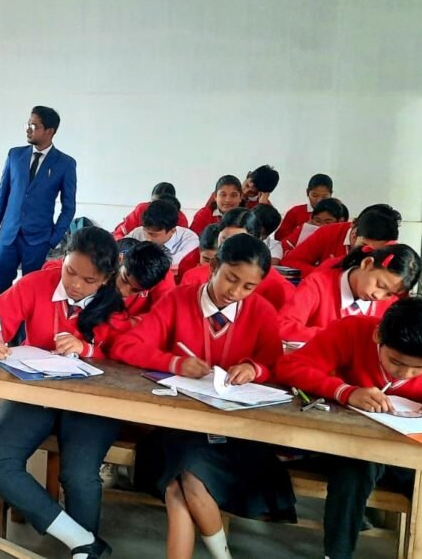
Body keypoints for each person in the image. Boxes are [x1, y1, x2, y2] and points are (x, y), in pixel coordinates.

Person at [109, 234, 293, 559]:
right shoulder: (178, 300)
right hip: (179, 423)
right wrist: (174, 362)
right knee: (185, 477)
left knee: (179, 484)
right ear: (213, 266)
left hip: (235, 429)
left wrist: (254, 369)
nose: (235, 292)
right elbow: (126, 346)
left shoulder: (260, 312)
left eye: (248, 287)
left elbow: (277, 365)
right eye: (231, 279)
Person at [275, 298, 422, 559]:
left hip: (419, 458)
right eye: (396, 362)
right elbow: (290, 367)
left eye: (419, 368)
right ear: (378, 336)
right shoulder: (353, 330)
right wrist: (345, 392)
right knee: (355, 471)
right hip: (354, 448)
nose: (406, 374)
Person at [0, 228, 129, 559]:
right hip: (37, 390)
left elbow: (126, 353)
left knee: (79, 474)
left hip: (91, 402)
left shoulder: (114, 305)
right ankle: (83, 542)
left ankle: (83, 549)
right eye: (70, 270)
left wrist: (87, 348)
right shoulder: (36, 284)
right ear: (63, 258)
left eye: (88, 280)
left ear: (104, 279)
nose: (75, 283)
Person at [0, 106, 77, 295]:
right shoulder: (15, 155)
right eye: (28, 124)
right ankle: (3, 323)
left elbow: (69, 207)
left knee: (31, 290)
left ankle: (25, 326)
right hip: (8, 236)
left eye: (34, 126)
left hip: (38, 239)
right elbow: (1, 198)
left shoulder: (65, 163)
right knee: (1, 287)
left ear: (49, 131)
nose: (28, 129)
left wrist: (52, 239)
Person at [278, 244, 421, 344]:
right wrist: (335, 337)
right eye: (380, 285)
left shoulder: (389, 305)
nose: (379, 296)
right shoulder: (318, 284)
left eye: (389, 293)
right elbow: (282, 326)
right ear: (367, 264)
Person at [180, 208, 294, 312]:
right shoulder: (193, 277)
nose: (230, 246)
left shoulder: (275, 283)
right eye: (224, 239)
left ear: (256, 241)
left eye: (248, 286)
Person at [282, 203, 400, 276]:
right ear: (353, 225)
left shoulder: (390, 249)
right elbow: (290, 262)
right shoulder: (328, 232)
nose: (366, 254)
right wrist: (325, 275)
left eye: (374, 251)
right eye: (364, 246)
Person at [126, 198, 198, 273]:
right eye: (146, 232)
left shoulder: (189, 240)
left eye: (153, 235)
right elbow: (121, 251)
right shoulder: (138, 232)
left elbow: (165, 266)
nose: (148, 239)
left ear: (172, 230)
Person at [115, 238, 174, 322]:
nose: (124, 292)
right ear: (120, 260)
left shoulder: (159, 276)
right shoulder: (100, 266)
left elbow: (165, 314)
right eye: (124, 280)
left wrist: (131, 323)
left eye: (135, 290)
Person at [112, 182, 188, 239]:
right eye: (153, 202)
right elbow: (119, 234)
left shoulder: (181, 219)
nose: (156, 207)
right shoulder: (142, 209)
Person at [275, 173, 333, 244]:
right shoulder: (295, 212)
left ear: (331, 194)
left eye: (324, 197)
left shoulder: (336, 213)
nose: (319, 200)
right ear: (307, 193)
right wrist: (301, 229)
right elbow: (279, 238)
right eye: (315, 195)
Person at [280, 197, 347, 254]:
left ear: (341, 221)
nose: (321, 226)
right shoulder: (304, 230)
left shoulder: (346, 238)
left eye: (328, 223)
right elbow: (283, 247)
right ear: (311, 218)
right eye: (317, 221)